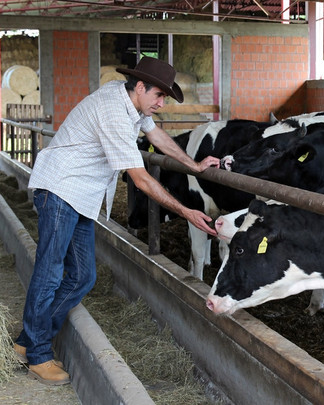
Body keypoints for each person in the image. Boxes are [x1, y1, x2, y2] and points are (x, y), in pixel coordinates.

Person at [13, 56, 220, 385]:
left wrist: (194, 165)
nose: (161, 104)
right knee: (50, 271)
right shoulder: (112, 110)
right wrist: (186, 211)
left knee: (82, 276)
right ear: (140, 87)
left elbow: (159, 138)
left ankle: (28, 340)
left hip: (81, 195)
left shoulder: (132, 104)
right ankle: (37, 354)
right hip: (60, 189)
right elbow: (140, 179)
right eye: (159, 96)